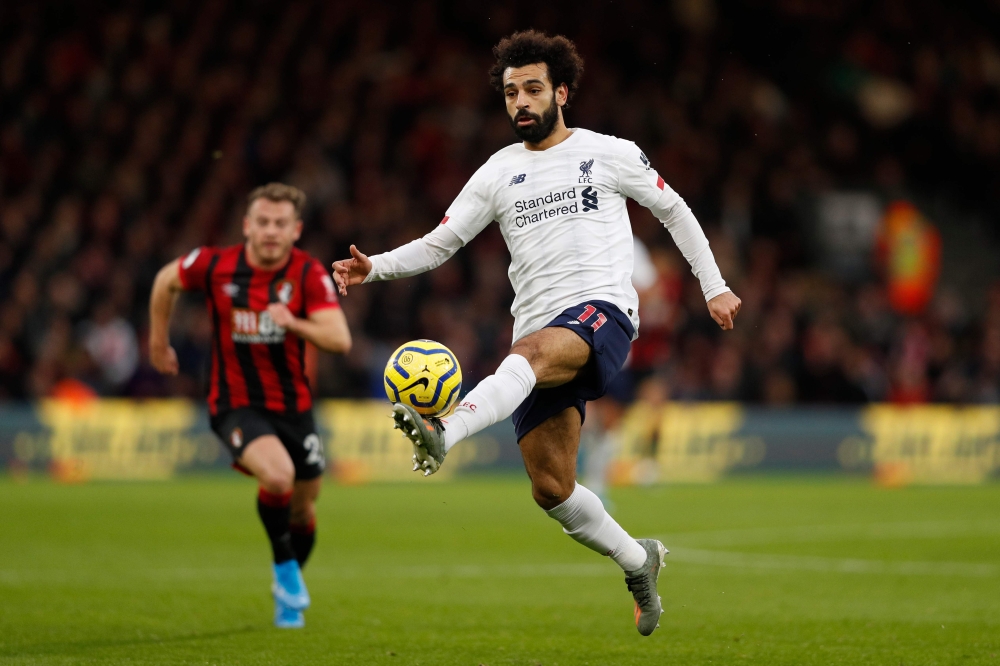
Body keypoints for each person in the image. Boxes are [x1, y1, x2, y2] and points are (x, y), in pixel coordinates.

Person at [333, 31, 740, 636]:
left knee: (528, 354)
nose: (520, 102)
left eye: (532, 89)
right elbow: (442, 242)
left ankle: (445, 432)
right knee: (552, 489)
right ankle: (639, 559)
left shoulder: (609, 152)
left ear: (562, 92)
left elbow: (673, 209)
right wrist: (376, 267)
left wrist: (713, 286)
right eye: (510, 92)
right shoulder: (498, 172)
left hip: (602, 313)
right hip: (539, 331)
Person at [149, 183, 351, 628]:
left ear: (296, 230)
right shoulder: (215, 265)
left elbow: (340, 339)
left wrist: (294, 322)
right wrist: (158, 341)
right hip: (235, 403)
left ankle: (287, 586)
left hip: (295, 408)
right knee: (278, 476)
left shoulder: (307, 274)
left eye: (281, 224)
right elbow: (166, 281)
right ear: (246, 225)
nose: (270, 231)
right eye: (262, 222)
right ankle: (284, 570)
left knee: (304, 506)